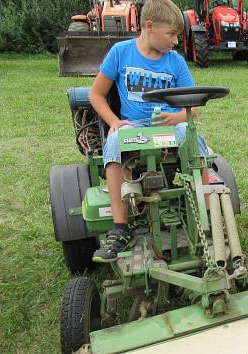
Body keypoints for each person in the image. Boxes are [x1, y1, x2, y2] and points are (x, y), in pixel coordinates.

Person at [88, 0, 208, 263]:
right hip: (136, 127)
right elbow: (96, 94)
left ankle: (206, 213)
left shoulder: (175, 62)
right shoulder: (121, 53)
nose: (176, 41)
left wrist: (175, 116)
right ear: (150, 27)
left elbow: (193, 108)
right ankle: (120, 228)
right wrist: (114, 122)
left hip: (168, 125)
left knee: (193, 138)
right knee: (115, 142)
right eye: (172, 34)